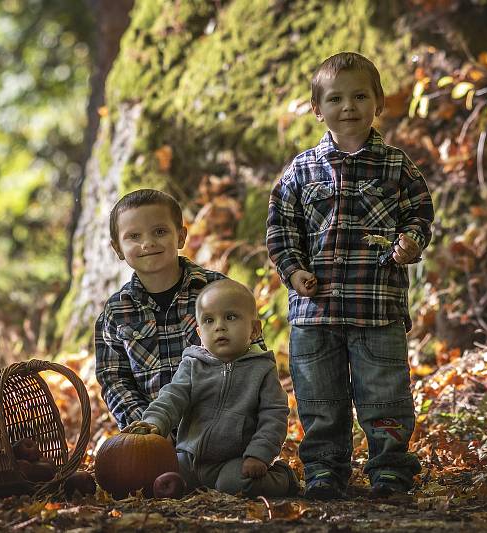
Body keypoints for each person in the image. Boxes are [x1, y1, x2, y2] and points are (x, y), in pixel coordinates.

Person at [266, 52, 434, 500]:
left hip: (376, 305)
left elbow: (419, 213)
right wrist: (294, 270)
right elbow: (282, 231)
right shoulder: (301, 171)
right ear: (318, 109)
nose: (349, 106)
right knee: (320, 399)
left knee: (385, 395)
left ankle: (391, 468)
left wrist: (412, 240)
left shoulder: (397, 166)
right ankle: (325, 469)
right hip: (314, 311)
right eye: (336, 98)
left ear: (377, 102)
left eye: (360, 96)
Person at [125, 279, 298, 497]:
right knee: (159, 478)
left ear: (254, 330)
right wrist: (155, 422)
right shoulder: (192, 365)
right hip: (189, 457)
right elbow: (172, 396)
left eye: (230, 317)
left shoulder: (262, 370)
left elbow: (274, 416)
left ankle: (282, 477)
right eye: (209, 320)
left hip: (236, 460)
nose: (219, 326)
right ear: (199, 332)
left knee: (234, 484)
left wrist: (259, 454)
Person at [95, 188, 228, 430]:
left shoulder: (218, 291)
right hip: (154, 438)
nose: (148, 243)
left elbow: (248, 356)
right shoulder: (116, 311)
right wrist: (149, 425)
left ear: (180, 236)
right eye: (134, 236)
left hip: (220, 429)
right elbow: (114, 380)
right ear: (117, 249)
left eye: (159, 231)